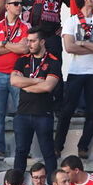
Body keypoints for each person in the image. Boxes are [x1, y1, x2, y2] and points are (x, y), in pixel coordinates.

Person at [56, 0, 93, 157]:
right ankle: (58, 145)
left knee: (92, 112)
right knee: (67, 111)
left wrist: (84, 43)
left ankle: (83, 146)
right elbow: (70, 47)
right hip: (76, 71)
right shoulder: (71, 21)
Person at [11, 27, 60, 175]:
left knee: (48, 152)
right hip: (22, 113)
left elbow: (47, 86)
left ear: (42, 41)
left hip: (43, 114)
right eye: (28, 41)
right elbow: (14, 80)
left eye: (33, 41)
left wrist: (26, 85)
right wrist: (34, 81)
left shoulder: (53, 61)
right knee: (20, 151)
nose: (29, 44)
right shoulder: (23, 59)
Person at [0, 0, 29, 158]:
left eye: (20, 3)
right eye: (15, 3)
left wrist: (3, 43)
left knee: (21, 113)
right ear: (7, 6)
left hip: (17, 75)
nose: (19, 6)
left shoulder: (25, 26)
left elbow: (24, 49)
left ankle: (21, 148)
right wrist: (13, 46)